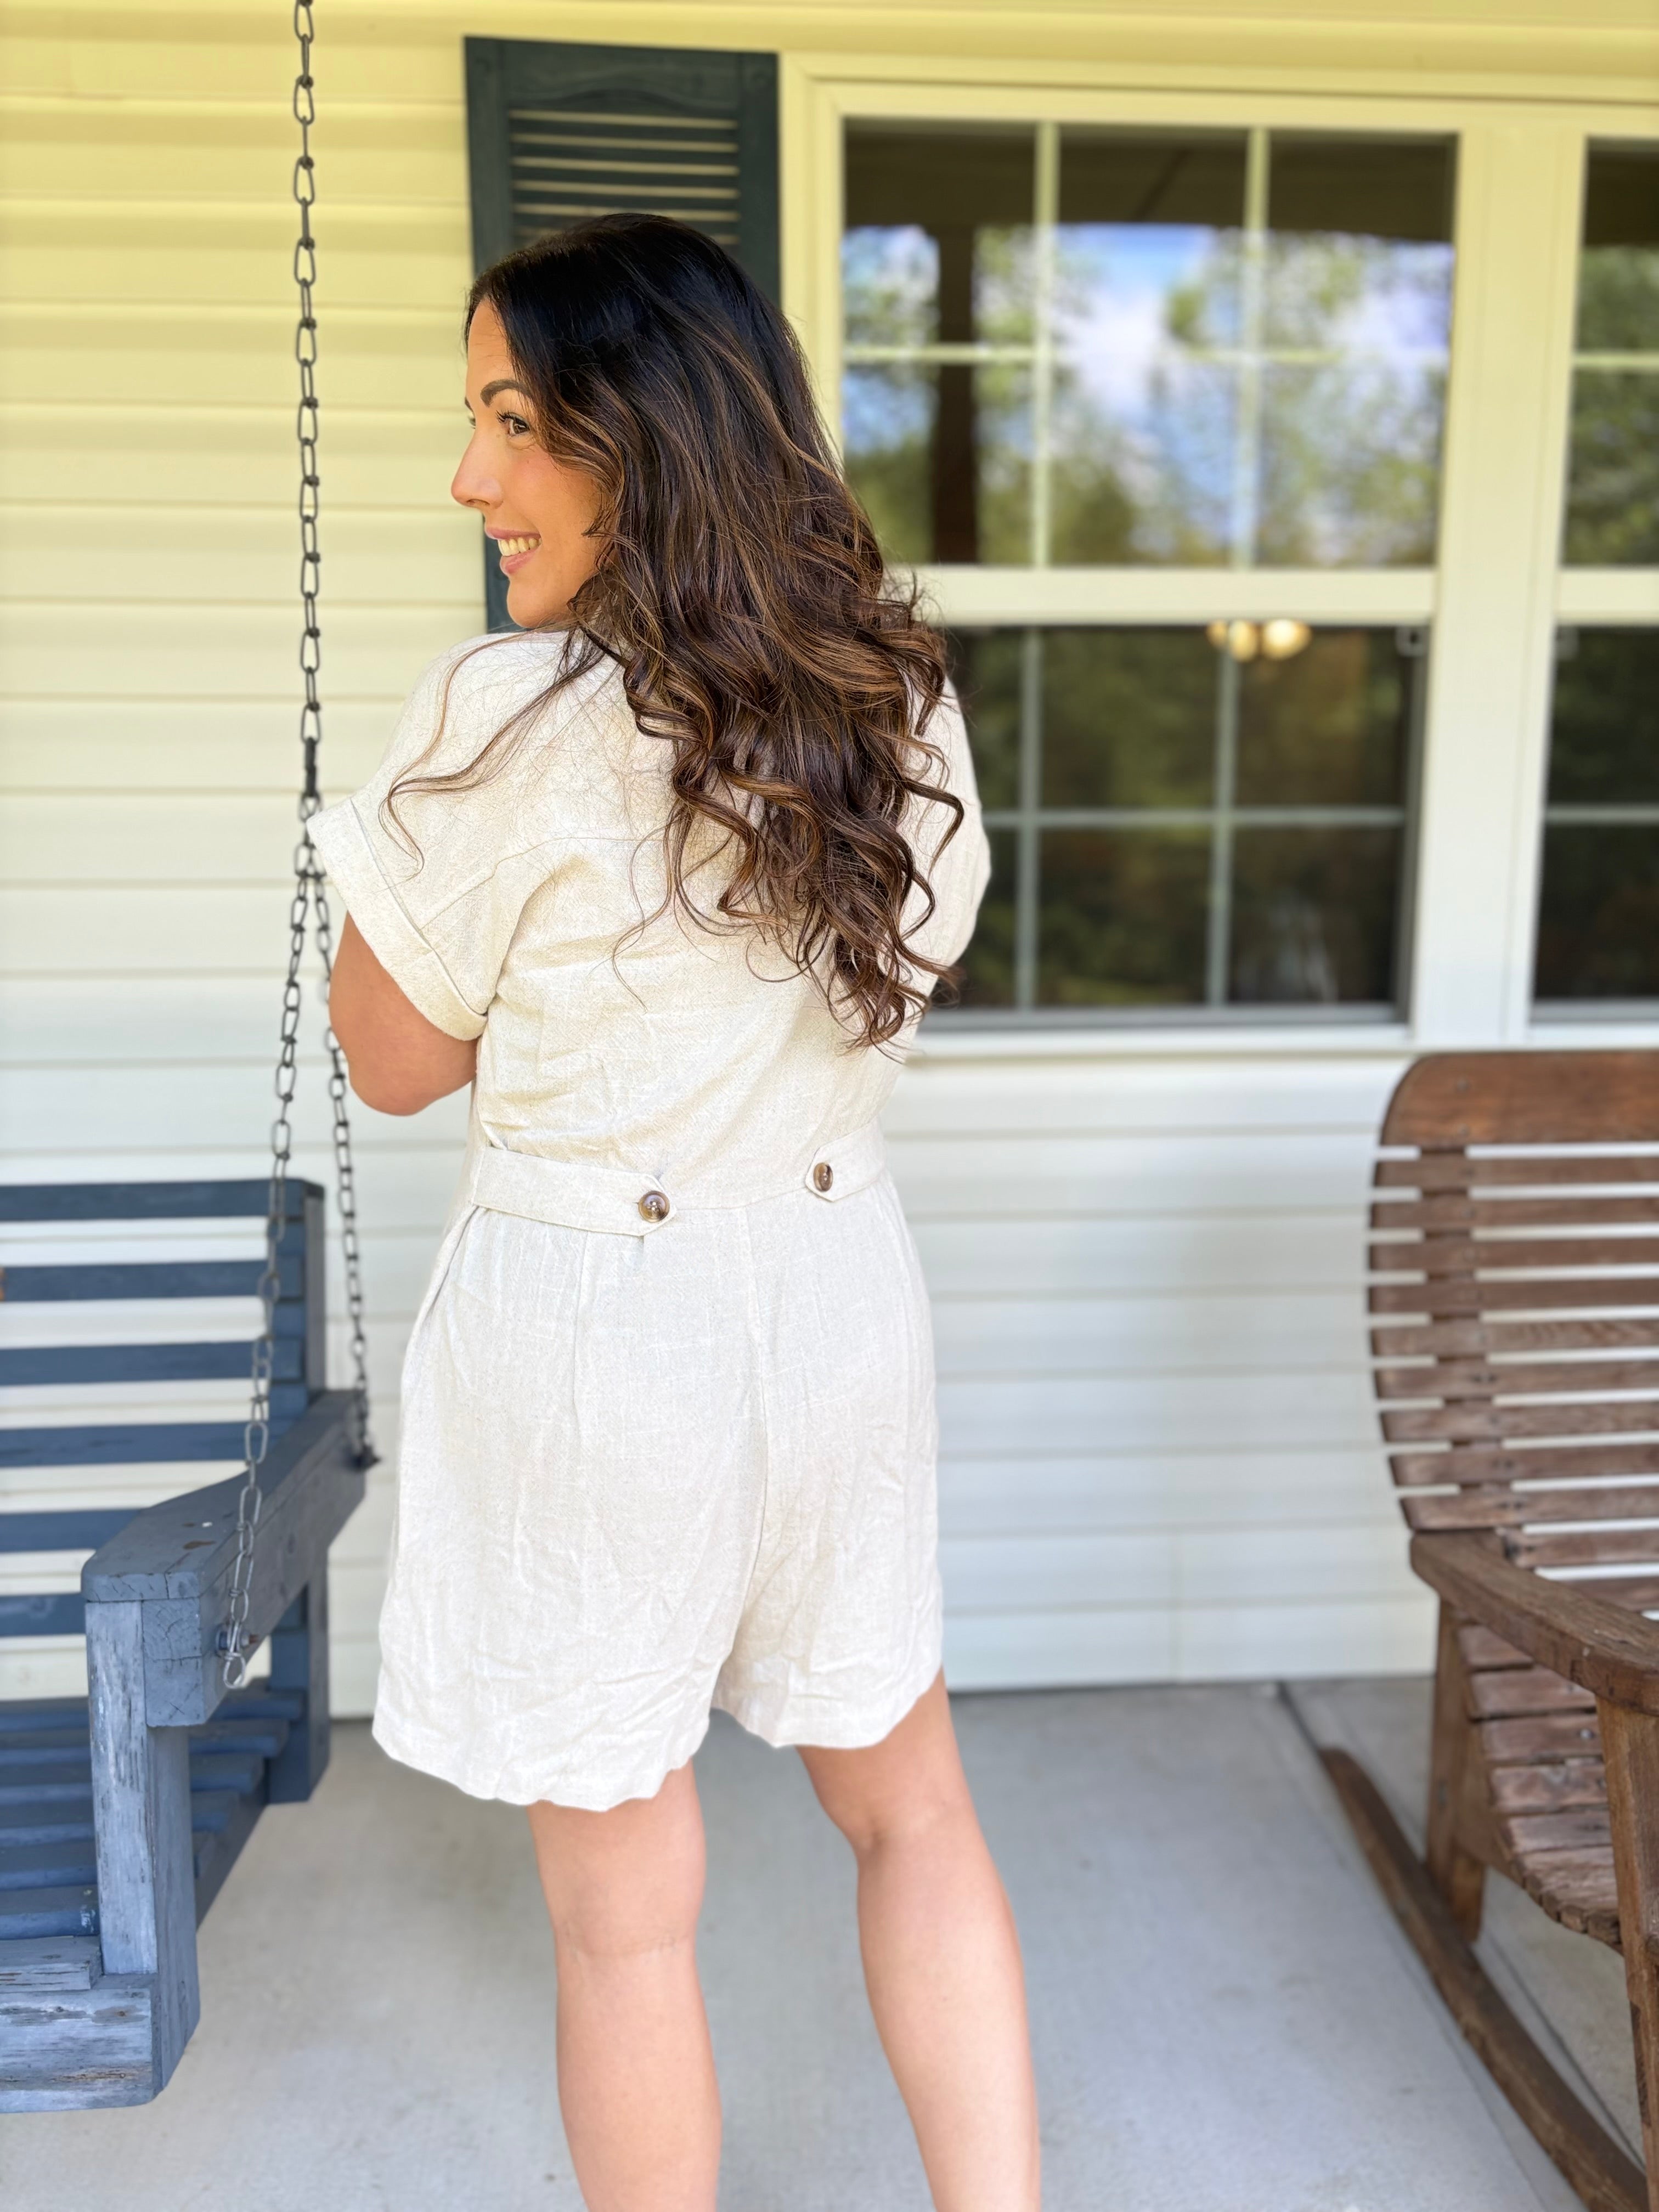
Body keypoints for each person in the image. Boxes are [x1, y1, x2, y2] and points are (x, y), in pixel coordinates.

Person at [313, 212, 1040, 2212]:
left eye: (509, 421)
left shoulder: (506, 720)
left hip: (600, 1342)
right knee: (915, 1814)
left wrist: (390, 867)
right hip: (837, 1300)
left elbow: (392, 1056)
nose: (469, 479)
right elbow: (910, 968)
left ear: (635, 438)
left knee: (625, 1919)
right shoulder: (893, 699)